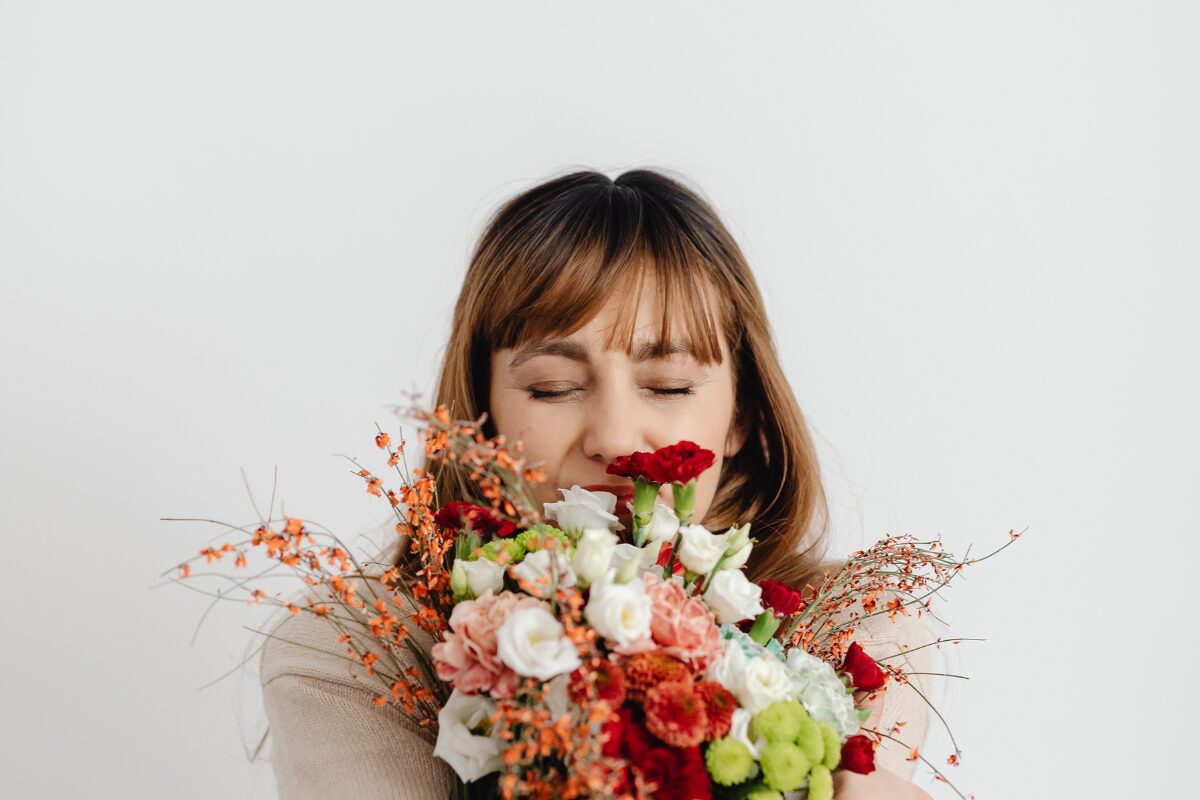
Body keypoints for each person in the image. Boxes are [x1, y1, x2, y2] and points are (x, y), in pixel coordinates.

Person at [258, 168, 938, 799]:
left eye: (668, 386)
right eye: (554, 388)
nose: (614, 439)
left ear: (742, 417)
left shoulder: (858, 635)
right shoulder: (353, 654)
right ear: (483, 415)